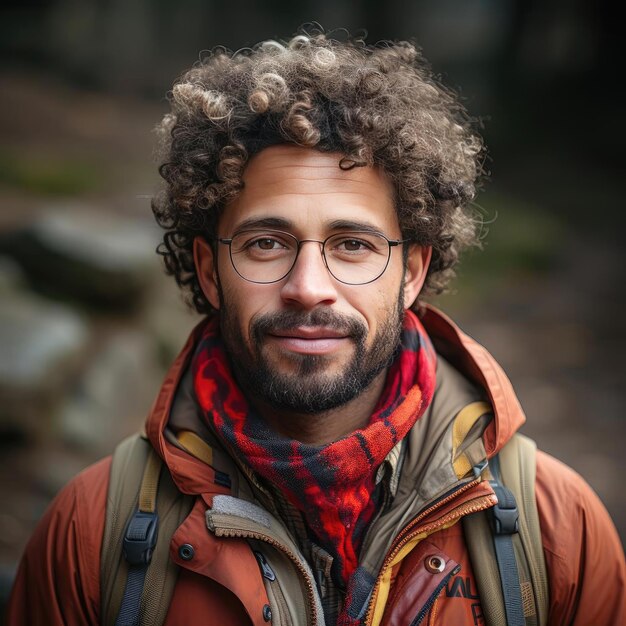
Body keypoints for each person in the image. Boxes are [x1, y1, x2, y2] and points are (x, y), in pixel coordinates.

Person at [6, 27, 625, 626]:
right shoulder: (91, 532)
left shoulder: (557, 532)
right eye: (267, 243)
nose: (308, 286)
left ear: (411, 270)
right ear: (210, 269)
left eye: (353, 244)